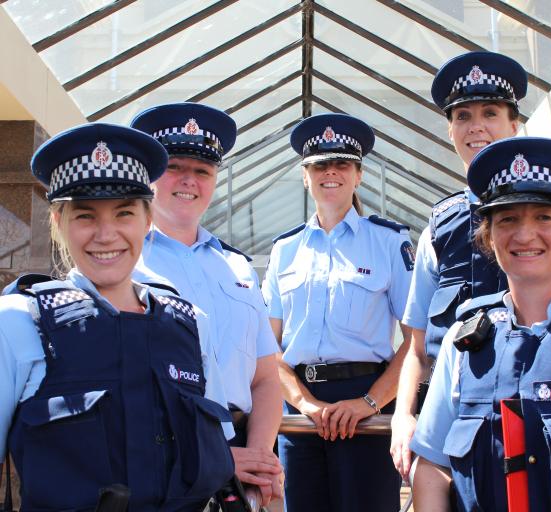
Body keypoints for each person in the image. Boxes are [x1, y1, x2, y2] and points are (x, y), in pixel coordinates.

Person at [0, 123, 236, 510]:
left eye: (124, 213)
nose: (106, 234)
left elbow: (216, 452)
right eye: (86, 216)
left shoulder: (191, 323)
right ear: (59, 223)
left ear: (147, 222)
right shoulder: (19, 321)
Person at [390, 51, 551, 481]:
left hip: (541, 409)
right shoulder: (439, 226)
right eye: (463, 116)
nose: (477, 127)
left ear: (514, 125)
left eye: (490, 113)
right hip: (449, 419)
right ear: (450, 129)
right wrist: (403, 415)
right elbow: (415, 347)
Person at [411, 136, 551, 511]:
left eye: (544, 217)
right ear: (489, 235)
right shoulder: (464, 338)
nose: (525, 235)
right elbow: (432, 466)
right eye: (508, 219)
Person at [130, 103, 283, 507]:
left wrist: (261, 458)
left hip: (241, 469)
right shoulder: (124, 262)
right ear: (149, 175)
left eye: (202, 170)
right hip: (162, 463)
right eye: (175, 166)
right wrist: (218, 459)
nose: (188, 180)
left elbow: (266, 378)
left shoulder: (237, 266)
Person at [262, 113, 414, 512]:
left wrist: (368, 403)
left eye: (342, 164)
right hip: (300, 413)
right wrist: (305, 404)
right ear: (305, 175)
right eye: (319, 166)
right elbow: (265, 346)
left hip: (367, 405)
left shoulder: (388, 242)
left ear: (359, 175)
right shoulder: (285, 250)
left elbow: (417, 342)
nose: (331, 173)